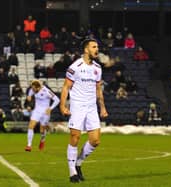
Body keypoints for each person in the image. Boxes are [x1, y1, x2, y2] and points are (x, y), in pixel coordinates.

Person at [60, 39, 108, 183]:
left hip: (92, 107)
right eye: (94, 47)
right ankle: (72, 172)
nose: (97, 49)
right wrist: (63, 106)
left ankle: (78, 163)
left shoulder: (97, 68)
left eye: (97, 47)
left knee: (95, 140)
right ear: (86, 49)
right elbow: (65, 87)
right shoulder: (75, 66)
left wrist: (103, 107)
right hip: (78, 106)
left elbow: (98, 89)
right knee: (75, 137)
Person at [25, 80, 60, 152]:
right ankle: (29, 145)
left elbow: (57, 100)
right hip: (37, 111)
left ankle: (43, 139)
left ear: (38, 88)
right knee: (31, 126)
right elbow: (30, 91)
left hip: (45, 113)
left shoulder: (46, 91)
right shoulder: (33, 89)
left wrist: (50, 108)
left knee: (42, 130)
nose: (32, 90)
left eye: (34, 88)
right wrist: (29, 95)